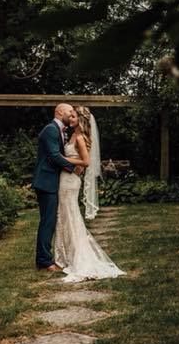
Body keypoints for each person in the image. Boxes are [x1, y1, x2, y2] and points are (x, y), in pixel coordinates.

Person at [52, 105, 126, 283]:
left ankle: (76, 257)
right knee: (64, 216)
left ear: (81, 120)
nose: (70, 118)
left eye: (73, 116)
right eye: (70, 116)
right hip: (65, 179)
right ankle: (65, 255)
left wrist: (61, 159)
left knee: (70, 215)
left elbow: (85, 162)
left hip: (70, 181)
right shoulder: (73, 135)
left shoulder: (80, 138)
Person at [32, 103, 83, 271]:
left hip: (51, 181)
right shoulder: (51, 129)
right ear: (60, 112)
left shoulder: (59, 130)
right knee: (48, 221)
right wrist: (73, 168)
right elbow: (54, 156)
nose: (71, 114)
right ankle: (44, 261)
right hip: (46, 182)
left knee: (50, 220)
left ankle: (45, 258)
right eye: (70, 112)